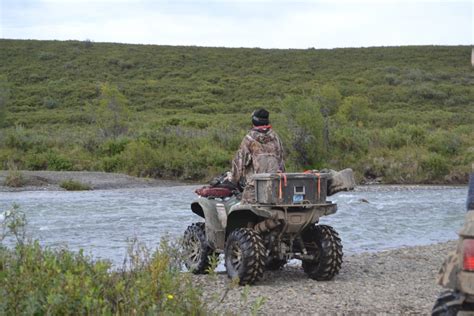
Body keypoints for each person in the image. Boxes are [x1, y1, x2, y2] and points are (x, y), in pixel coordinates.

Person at [230, 108, 285, 203]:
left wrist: (232, 179)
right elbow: (282, 163)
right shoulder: (276, 138)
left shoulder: (249, 139)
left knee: (241, 211)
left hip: (254, 190)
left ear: (254, 121)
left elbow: (238, 164)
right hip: (275, 189)